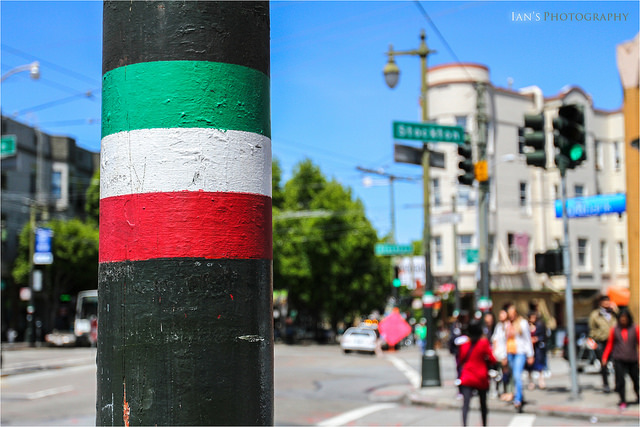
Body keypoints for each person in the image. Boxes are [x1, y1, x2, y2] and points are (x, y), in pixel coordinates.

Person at [456, 319, 497, 426]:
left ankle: (464, 424)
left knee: (466, 405)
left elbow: (461, 360)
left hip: (467, 377)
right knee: (483, 404)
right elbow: (492, 359)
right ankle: (484, 424)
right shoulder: (483, 343)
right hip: (481, 377)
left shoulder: (465, 344)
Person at [602, 309, 639, 410]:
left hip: (632, 359)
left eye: (625, 318)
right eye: (621, 318)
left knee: (635, 379)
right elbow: (610, 344)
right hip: (619, 359)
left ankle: (638, 395)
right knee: (620, 381)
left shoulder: (635, 329)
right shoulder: (614, 330)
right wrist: (605, 357)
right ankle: (623, 400)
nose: (623, 320)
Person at [501, 302, 534, 413]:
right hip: (510, 352)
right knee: (514, 376)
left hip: (520, 352)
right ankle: (519, 394)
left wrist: (530, 354)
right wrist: (503, 355)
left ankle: (518, 399)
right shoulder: (506, 325)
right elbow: (503, 341)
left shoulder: (523, 323)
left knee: (517, 375)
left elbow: (527, 339)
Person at [588, 294, 618, 393]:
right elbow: (591, 330)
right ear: (600, 303)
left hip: (614, 342)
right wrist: (598, 337)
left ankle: (618, 384)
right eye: (605, 302)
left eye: (608, 301)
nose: (607, 303)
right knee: (603, 364)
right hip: (602, 342)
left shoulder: (613, 313)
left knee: (616, 364)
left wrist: (616, 310)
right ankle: (606, 384)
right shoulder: (595, 315)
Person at [491, 307, 512, 401]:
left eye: (503, 314)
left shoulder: (509, 326)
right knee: (497, 374)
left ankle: (506, 391)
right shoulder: (498, 326)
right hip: (498, 353)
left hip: (506, 353)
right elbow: (495, 339)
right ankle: (497, 391)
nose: (500, 316)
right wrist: (494, 352)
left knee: (506, 374)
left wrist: (506, 355)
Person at [526, 310, 548, 390]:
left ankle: (541, 381)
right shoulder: (527, 325)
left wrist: (537, 339)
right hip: (530, 348)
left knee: (539, 365)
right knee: (529, 366)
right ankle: (531, 382)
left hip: (538, 348)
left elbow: (544, 336)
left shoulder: (540, 325)